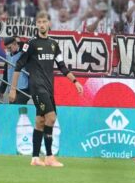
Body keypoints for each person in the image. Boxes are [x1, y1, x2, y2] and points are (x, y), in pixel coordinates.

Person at [11, 11, 83, 167]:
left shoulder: (53, 45)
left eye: (44, 21)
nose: (42, 24)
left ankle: (35, 158)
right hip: (37, 88)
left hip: (49, 88)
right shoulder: (31, 44)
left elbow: (62, 66)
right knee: (51, 117)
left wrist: (75, 81)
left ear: (49, 23)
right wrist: (13, 89)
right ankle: (49, 156)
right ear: (36, 25)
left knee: (40, 121)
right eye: (39, 22)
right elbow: (18, 65)